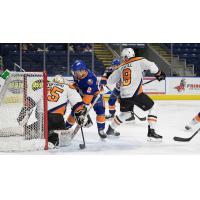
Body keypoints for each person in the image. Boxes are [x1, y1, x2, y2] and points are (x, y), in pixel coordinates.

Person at [106, 48, 166, 140]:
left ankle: (110, 130)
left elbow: (110, 80)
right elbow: (152, 66)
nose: (123, 59)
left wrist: (111, 74)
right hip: (135, 93)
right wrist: (159, 73)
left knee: (126, 114)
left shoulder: (121, 67)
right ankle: (151, 132)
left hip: (123, 95)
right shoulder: (139, 60)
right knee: (153, 107)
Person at [17, 75, 88, 146]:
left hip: (42, 118)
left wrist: (24, 112)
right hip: (57, 119)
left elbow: (30, 100)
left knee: (33, 130)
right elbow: (78, 104)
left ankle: (33, 132)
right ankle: (52, 139)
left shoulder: (44, 86)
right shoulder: (68, 88)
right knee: (62, 140)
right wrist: (80, 115)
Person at [65, 60, 107, 139]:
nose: (75, 74)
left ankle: (101, 130)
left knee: (100, 109)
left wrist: (83, 111)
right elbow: (78, 84)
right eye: (74, 72)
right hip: (83, 92)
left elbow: (88, 98)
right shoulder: (78, 75)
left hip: (95, 94)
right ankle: (65, 128)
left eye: (76, 72)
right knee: (75, 111)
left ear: (83, 70)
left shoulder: (90, 80)